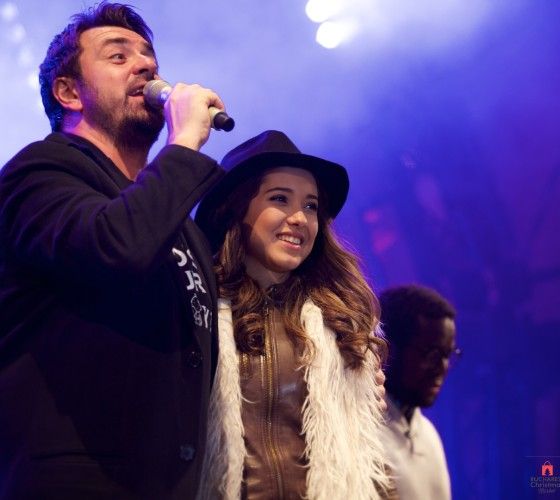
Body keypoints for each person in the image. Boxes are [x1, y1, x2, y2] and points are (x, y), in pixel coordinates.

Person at [0, 2, 228, 498]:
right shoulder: (39, 173)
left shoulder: (176, 222)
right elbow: (115, 248)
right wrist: (183, 144)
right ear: (69, 92)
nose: (145, 66)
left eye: (148, 57)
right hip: (75, 481)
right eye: (119, 56)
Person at [194, 130, 394, 499]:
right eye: (280, 198)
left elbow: (368, 458)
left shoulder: (341, 322)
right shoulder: (196, 309)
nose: (300, 217)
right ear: (236, 208)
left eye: (311, 206)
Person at [378, 284, 460, 500]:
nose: (442, 368)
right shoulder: (358, 433)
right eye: (432, 353)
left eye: (447, 355)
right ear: (387, 349)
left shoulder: (430, 436)